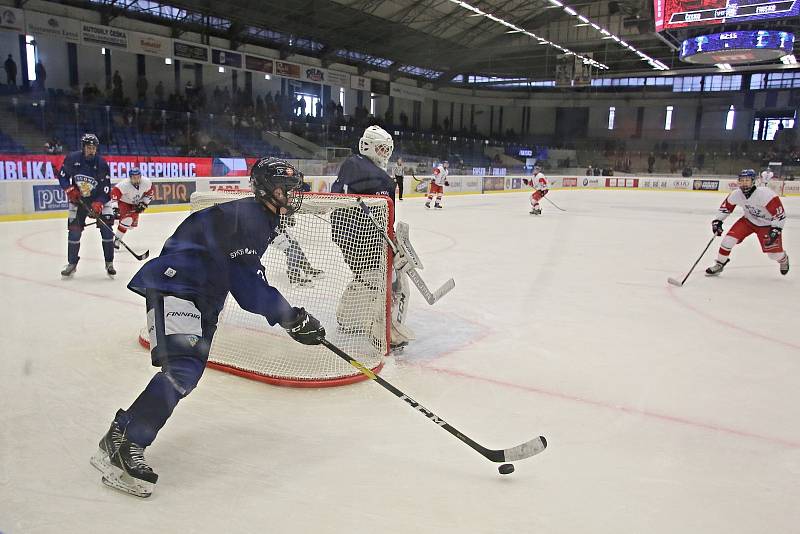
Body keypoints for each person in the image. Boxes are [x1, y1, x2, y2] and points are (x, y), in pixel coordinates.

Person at [90, 158, 325, 498]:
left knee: (188, 372)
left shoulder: (258, 217)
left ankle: (119, 434)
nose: (293, 195)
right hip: (179, 286)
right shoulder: (252, 218)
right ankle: (126, 441)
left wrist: (290, 316)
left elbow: (239, 274)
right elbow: (247, 284)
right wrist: (291, 317)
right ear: (268, 190)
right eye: (286, 189)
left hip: (199, 294)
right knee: (182, 370)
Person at [330, 125, 413, 350]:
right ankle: (385, 332)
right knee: (386, 282)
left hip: (355, 236)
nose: (385, 154)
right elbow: (377, 215)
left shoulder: (358, 166)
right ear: (367, 146)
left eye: (387, 149)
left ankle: (346, 318)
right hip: (360, 238)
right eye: (381, 149)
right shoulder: (368, 172)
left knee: (367, 277)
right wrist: (391, 245)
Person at [706, 169, 789, 277]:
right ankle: (719, 264)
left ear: (753, 181)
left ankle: (784, 259)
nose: (744, 183)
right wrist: (718, 221)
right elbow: (725, 208)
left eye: (747, 180)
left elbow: (779, 214)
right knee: (728, 240)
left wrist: (776, 229)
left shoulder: (766, 195)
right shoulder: (736, 194)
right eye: (742, 180)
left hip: (767, 225)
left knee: (773, 255)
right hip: (748, 221)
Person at [58, 133, 116, 277]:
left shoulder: (102, 164)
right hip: (79, 200)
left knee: (107, 229)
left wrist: (99, 203)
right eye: (89, 147)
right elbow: (63, 176)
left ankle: (109, 262)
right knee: (74, 231)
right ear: (83, 147)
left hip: (99, 200)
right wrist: (69, 189)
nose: (91, 150)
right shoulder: (72, 158)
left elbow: (106, 190)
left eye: (94, 147)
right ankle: (72, 263)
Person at [111, 168, 154, 249]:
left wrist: (144, 203)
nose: (136, 179)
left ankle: (120, 222)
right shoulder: (124, 185)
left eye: (138, 177)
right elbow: (114, 195)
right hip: (123, 202)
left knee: (131, 226)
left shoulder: (146, 182)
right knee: (127, 221)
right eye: (134, 177)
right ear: (130, 177)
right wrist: (115, 208)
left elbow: (150, 192)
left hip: (135, 204)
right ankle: (117, 241)